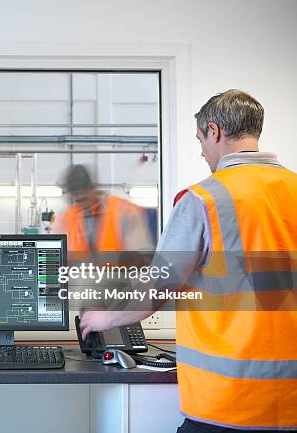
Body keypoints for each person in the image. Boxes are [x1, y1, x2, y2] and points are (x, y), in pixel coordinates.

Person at [78, 89, 297, 432]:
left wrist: (103, 317)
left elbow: (156, 288)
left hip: (230, 405)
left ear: (215, 131)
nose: (202, 151)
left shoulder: (204, 199)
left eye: (200, 140)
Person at [54, 164, 154, 257]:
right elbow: (56, 256)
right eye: (76, 200)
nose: (81, 205)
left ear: (92, 189)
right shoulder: (65, 218)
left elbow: (141, 257)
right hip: (80, 275)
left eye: (83, 198)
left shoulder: (125, 212)